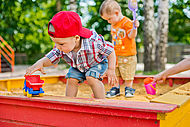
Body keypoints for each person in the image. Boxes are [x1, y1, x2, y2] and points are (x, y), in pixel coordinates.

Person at [25, 11, 118, 99]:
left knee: (91, 77)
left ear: (76, 38)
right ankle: (69, 101)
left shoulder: (94, 42)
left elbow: (110, 50)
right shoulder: (62, 46)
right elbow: (52, 57)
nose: (57, 47)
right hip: (78, 66)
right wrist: (40, 62)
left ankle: (101, 102)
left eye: (61, 44)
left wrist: (111, 69)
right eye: (55, 43)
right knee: (71, 78)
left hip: (97, 63)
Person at [99, 0, 139, 98]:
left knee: (128, 72)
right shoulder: (113, 24)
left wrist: (135, 28)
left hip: (128, 54)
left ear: (116, 13)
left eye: (109, 19)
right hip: (115, 54)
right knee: (115, 72)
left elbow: (131, 36)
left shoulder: (127, 22)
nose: (108, 22)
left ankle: (129, 88)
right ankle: (115, 89)